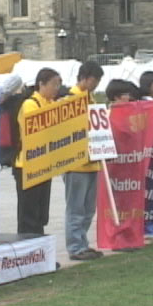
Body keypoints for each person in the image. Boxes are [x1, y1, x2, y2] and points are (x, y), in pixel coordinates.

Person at [63, 61, 104, 261]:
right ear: (86, 78)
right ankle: (75, 246)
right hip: (76, 163)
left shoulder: (91, 99)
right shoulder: (70, 99)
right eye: (94, 80)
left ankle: (82, 242)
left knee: (88, 209)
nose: (96, 85)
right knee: (76, 208)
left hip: (92, 160)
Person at [13, 68, 62, 235]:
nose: (56, 88)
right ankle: (27, 243)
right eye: (53, 84)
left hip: (44, 164)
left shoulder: (51, 103)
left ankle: (39, 243)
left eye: (58, 85)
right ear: (41, 84)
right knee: (29, 212)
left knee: (41, 212)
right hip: (27, 165)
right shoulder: (30, 104)